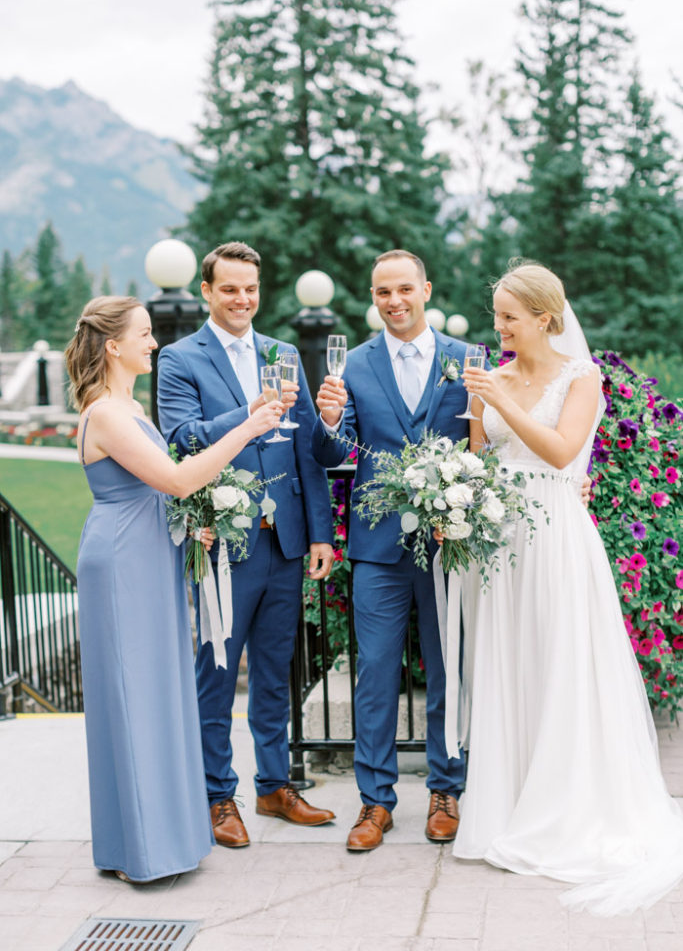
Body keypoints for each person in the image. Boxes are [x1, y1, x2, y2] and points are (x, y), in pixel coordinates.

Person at [448, 261, 683, 914]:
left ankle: (565, 807)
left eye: (508, 319)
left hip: (553, 532)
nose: (498, 330)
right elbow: (478, 458)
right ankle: (505, 804)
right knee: (507, 664)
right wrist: (450, 491)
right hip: (498, 539)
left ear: (543, 319)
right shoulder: (487, 381)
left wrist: (496, 402)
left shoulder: (581, 378)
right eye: (496, 317)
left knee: (557, 663)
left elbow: (559, 451)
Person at [64, 296, 284, 883]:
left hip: (150, 553)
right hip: (122, 563)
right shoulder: (107, 412)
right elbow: (181, 477)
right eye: (143, 333)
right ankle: (142, 850)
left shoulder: (126, 404)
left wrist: (189, 526)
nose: (153, 343)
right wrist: (250, 424)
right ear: (112, 345)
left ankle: (149, 839)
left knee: (156, 691)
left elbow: (160, 492)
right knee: (134, 696)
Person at [157, 240, 336, 848]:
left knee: (274, 672)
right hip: (222, 544)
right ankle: (216, 795)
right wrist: (249, 415)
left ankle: (273, 785)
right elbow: (181, 440)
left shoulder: (283, 353)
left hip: (284, 543)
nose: (242, 299)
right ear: (207, 291)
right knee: (215, 673)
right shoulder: (180, 359)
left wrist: (319, 533)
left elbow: (310, 448)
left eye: (251, 289)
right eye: (230, 289)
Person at [311, 249, 469, 852]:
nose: (394, 301)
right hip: (377, 550)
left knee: (448, 668)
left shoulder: (465, 359)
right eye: (382, 292)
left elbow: (482, 443)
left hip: (447, 545)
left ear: (426, 289)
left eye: (405, 289)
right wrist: (328, 422)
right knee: (375, 673)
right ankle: (375, 802)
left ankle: (445, 788)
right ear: (372, 297)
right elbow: (333, 456)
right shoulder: (351, 365)